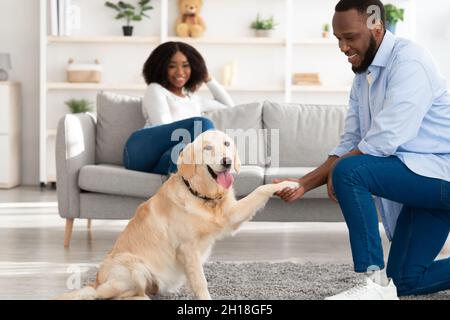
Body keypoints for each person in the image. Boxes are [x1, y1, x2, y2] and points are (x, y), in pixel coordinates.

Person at [275, 0, 450, 300]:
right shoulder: (362, 77)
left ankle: (372, 281)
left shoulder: (410, 62)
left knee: (349, 170)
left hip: (440, 176)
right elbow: (350, 141)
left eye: (350, 37)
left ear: (376, 27)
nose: (342, 46)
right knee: (406, 281)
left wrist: (341, 173)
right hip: (422, 183)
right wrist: (303, 184)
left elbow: (385, 138)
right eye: (338, 39)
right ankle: (387, 284)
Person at [123, 41, 234, 175]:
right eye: (172, 66)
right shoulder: (156, 90)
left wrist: (208, 78)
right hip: (140, 150)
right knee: (203, 125)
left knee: (191, 150)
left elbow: (229, 107)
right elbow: (162, 125)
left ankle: (175, 173)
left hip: (168, 157)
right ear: (161, 67)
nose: (180, 72)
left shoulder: (194, 99)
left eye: (186, 66)